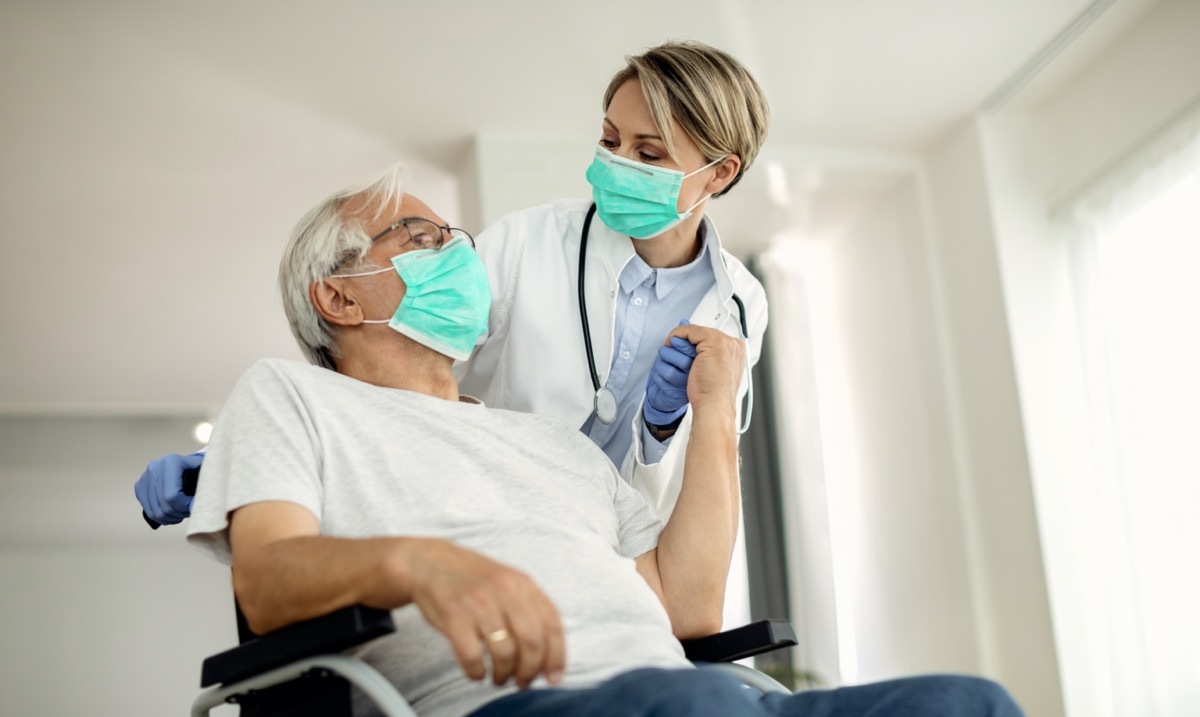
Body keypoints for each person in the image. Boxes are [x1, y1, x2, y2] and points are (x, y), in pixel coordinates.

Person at [185, 164, 1058, 717]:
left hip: (684, 708)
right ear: (338, 298)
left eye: (453, 238)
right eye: (420, 238)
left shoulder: (553, 446)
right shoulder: (291, 394)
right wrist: (418, 564)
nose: (457, 252)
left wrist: (717, 410)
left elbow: (686, 610)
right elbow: (265, 580)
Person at [136, 39, 768, 542]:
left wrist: (659, 432)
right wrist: (242, 451)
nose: (616, 162)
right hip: (493, 518)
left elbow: (700, 478)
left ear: (718, 173)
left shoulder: (741, 306)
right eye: (609, 140)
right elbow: (388, 349)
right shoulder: (530, 242)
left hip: (617, 542)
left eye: (649, 153)